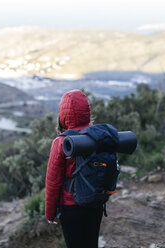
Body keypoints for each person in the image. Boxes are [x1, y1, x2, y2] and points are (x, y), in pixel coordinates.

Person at [45, 89, 103, 248]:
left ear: (63, 114)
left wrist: (50, 213)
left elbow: (53, 181)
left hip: (71, 207)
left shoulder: (61, 143)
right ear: (87, 111)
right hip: (95, 202)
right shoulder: (98, 136)